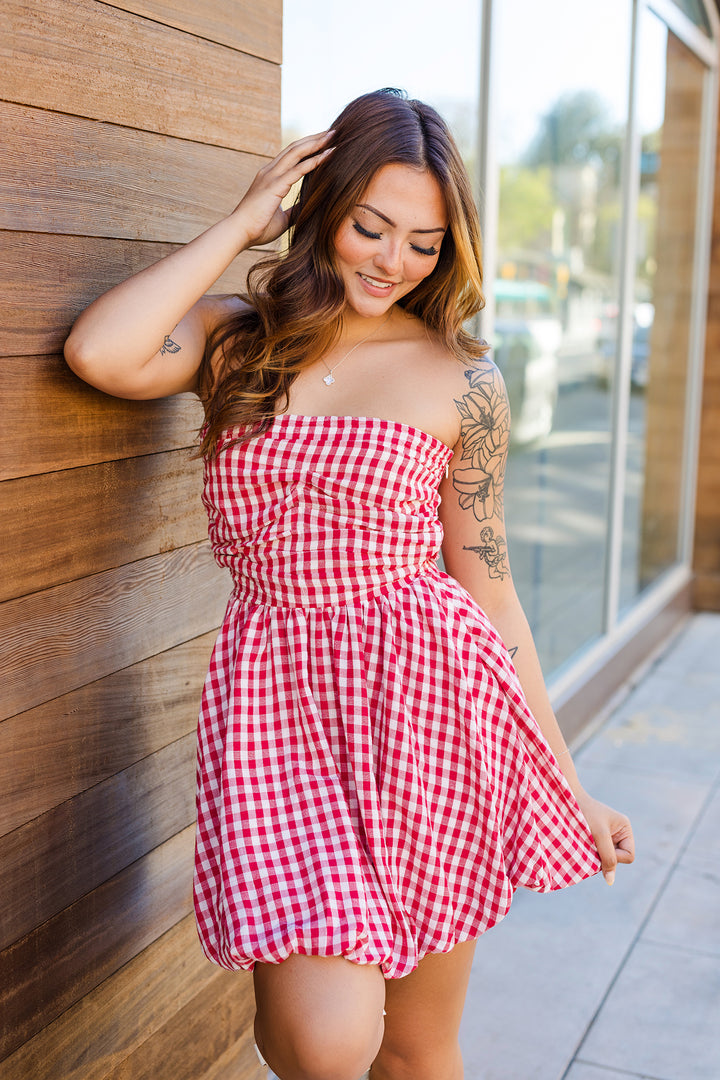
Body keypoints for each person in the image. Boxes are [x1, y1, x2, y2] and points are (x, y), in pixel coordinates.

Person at [65, 88, 634, 1080]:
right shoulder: (239, 340)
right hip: (275, 708)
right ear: (320, 205)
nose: (391, 259)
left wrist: (565, 779)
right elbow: (101, 352)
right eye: (371, 225)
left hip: (430, 707)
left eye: (423, 241)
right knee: (323, 1044)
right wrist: (243, 221)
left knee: (414, 1050)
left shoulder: (464, 381)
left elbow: (489, 588)